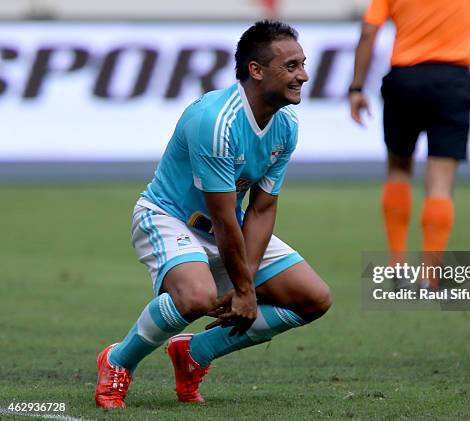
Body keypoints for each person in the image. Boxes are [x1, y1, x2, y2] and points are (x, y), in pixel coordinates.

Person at [95, 20, 332, 409]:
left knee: (313, 299)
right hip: (170, 217)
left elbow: (261, 208)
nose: (303, 76)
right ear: (255, 70)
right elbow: (222, 216)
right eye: (291, 66)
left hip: (226, 227)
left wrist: (248, 285)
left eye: (302, 64)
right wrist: (242, 290)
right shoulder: (216, 121)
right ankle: (118, 361)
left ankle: (194, 353)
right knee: (197, 298)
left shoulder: (286, 124)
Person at [349, 0, 470, 288]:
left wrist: (357, 87)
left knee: (398, 169)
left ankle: (398, 266)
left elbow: (368, 32)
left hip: (406, 79)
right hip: (453, 80)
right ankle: (429, 275)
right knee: (440, 181)